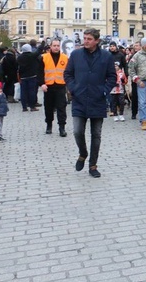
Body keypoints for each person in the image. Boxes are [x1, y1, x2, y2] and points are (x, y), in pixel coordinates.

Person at [64, 28, 116, 178]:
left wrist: (104, 91)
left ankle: (93, 165)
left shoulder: (106, 56)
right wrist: (74, 88)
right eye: (84, 38)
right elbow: (67, 74)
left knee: (96, 135)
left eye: (89, 39)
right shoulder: (76, 54)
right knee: (77, 131)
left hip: (97, 100)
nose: (85, 41)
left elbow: (112, 77)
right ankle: (83, 153)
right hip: (79, 99)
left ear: (96, 41)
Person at [37, 39, 69, 136]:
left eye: (57, 46)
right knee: (48, 108)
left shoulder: (65, 58)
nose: (56, 47)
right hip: (48, 86)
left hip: (60, 86)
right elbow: (39, 72)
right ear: (50, 46)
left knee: (61, 108)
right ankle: (49, 125)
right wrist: (42, 84)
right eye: (54, 45)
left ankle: (62, 128)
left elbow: (68, 72)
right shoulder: (43, 57)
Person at [17, 43, 40, 112]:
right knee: (32, 92)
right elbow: (39, 51)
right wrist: (43, 42)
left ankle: (24, 107)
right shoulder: (32, 56)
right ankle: (32, 106)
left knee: (23, 92)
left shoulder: (19, 57)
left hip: (23, 77)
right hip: (32, 76)